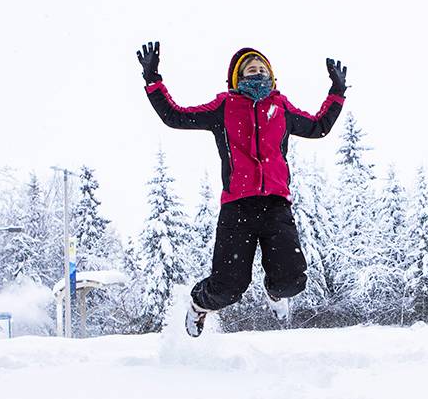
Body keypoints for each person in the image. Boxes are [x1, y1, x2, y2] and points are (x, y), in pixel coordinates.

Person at [136, 42, 347, 337]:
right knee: (228, 288)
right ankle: (199, 305)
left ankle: (275, 293)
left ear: (272, 76)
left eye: (262, 68)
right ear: (237, 77)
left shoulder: (281, 107)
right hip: (238, 208)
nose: (257, 72)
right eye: (251, 69)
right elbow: (175, 116)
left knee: (292, 281)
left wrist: (337, 92)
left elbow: (318, 126)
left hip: (275, 206)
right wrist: (153, 80)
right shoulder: (224, 107)